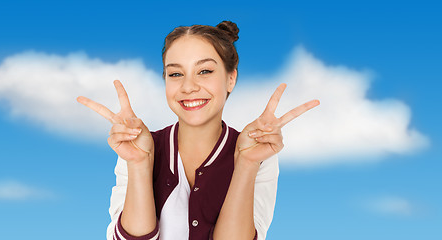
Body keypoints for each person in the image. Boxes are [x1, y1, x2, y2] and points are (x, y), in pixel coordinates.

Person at [77, 21, 319, 240]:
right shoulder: (136, 147)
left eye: (204, 71)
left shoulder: (258, 153)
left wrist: (246, 164)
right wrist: (139, 164)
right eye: (175, 74)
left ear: (231, 79)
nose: (188, 86)